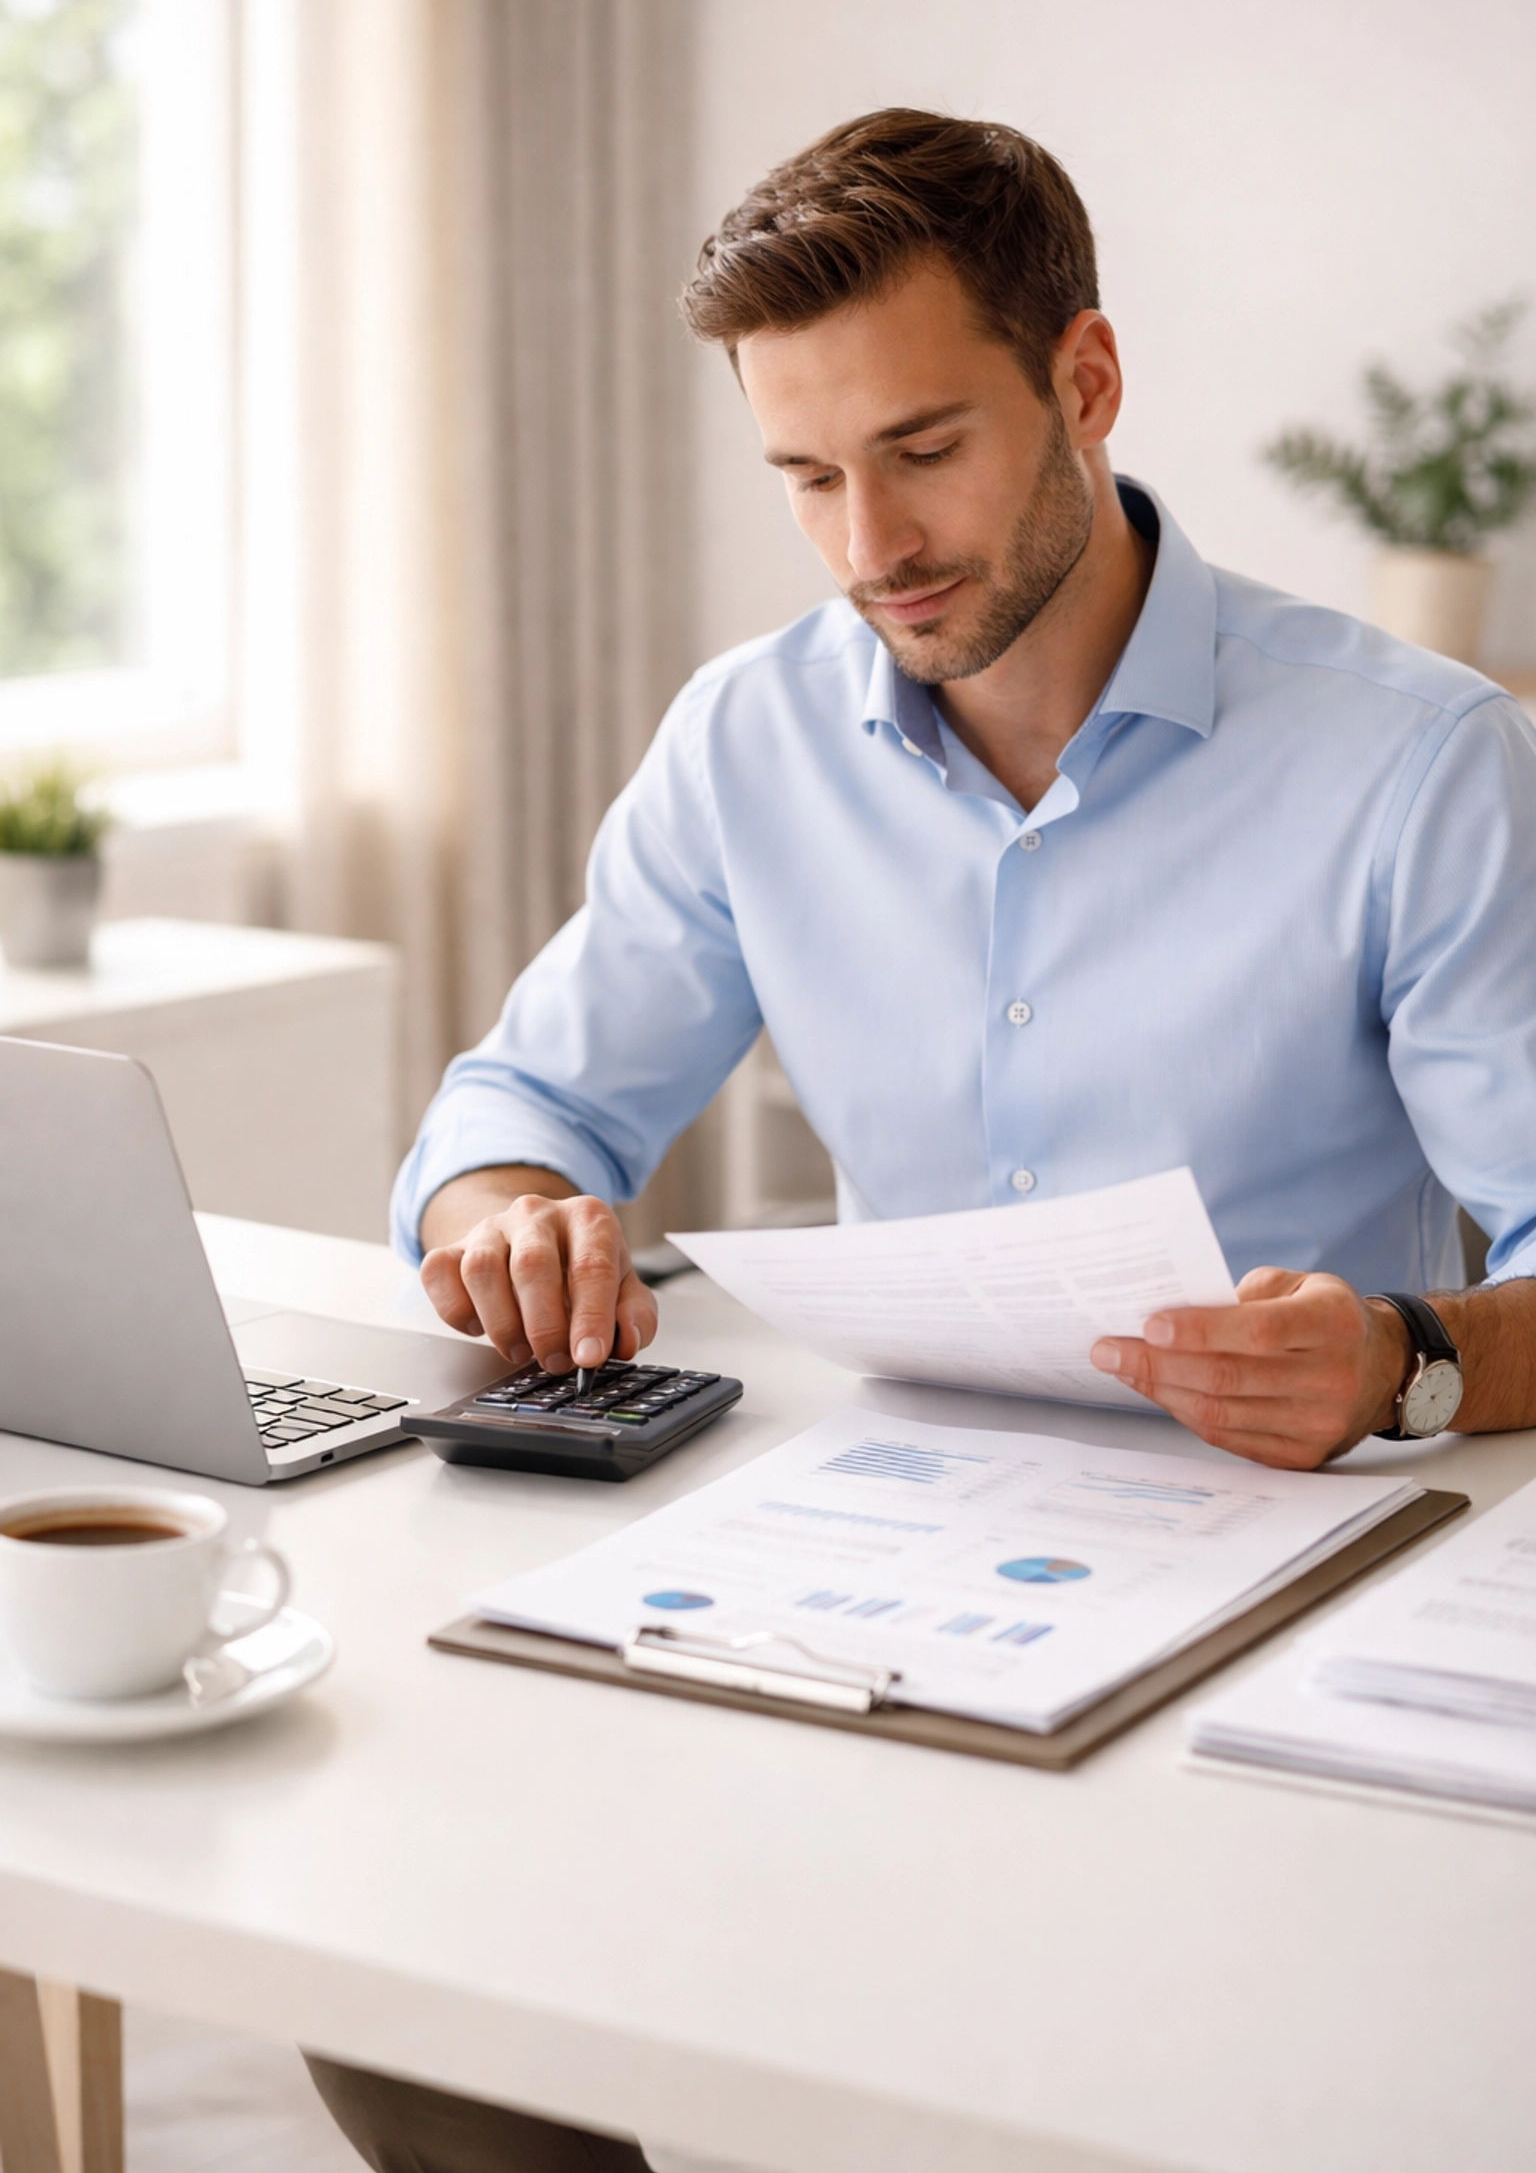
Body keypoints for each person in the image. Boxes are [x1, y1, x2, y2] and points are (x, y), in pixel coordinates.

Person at [306, 108, 1536, 2171]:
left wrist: (1405, 1357)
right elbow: (523, 1102)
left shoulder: (1422, 766)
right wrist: (511, 1206)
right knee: (393, 1971)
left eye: (925, 447)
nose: (870, 542)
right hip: (860, 1562)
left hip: (1284, 1595)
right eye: (805, 475)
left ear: (1087, 382)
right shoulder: (748, 737)